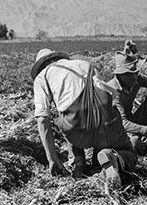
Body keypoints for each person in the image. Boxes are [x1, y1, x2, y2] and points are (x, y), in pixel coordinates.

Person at [30, 48, 136, 187]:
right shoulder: (85, 64)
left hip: (77, 131)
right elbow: (102, 95)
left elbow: (42, 119)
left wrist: (52, 159)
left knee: (64, 118)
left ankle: (78, 163)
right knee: (130, 153)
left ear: (41, 66)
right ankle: (113, 157)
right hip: (107, 122)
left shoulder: (42, 77)